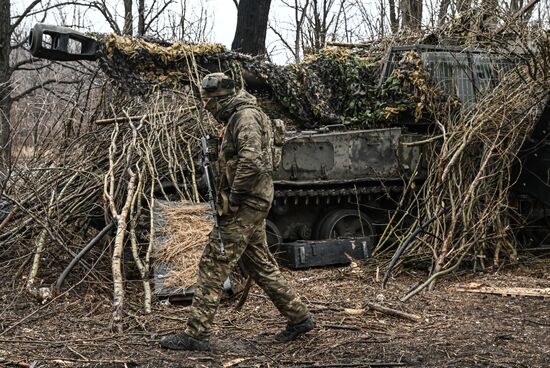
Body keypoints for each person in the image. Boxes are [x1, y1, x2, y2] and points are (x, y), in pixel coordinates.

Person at [160, 73, 314, 351]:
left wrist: (235, 197)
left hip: (245, 204)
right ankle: (299, 317)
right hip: (250, 203)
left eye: (209, 102)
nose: (207, 108)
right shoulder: (239, 117)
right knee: (261, 264)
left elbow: (252, 161)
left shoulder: (245, 118)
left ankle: (196, 334)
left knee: (213, 262)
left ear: (222, 98)